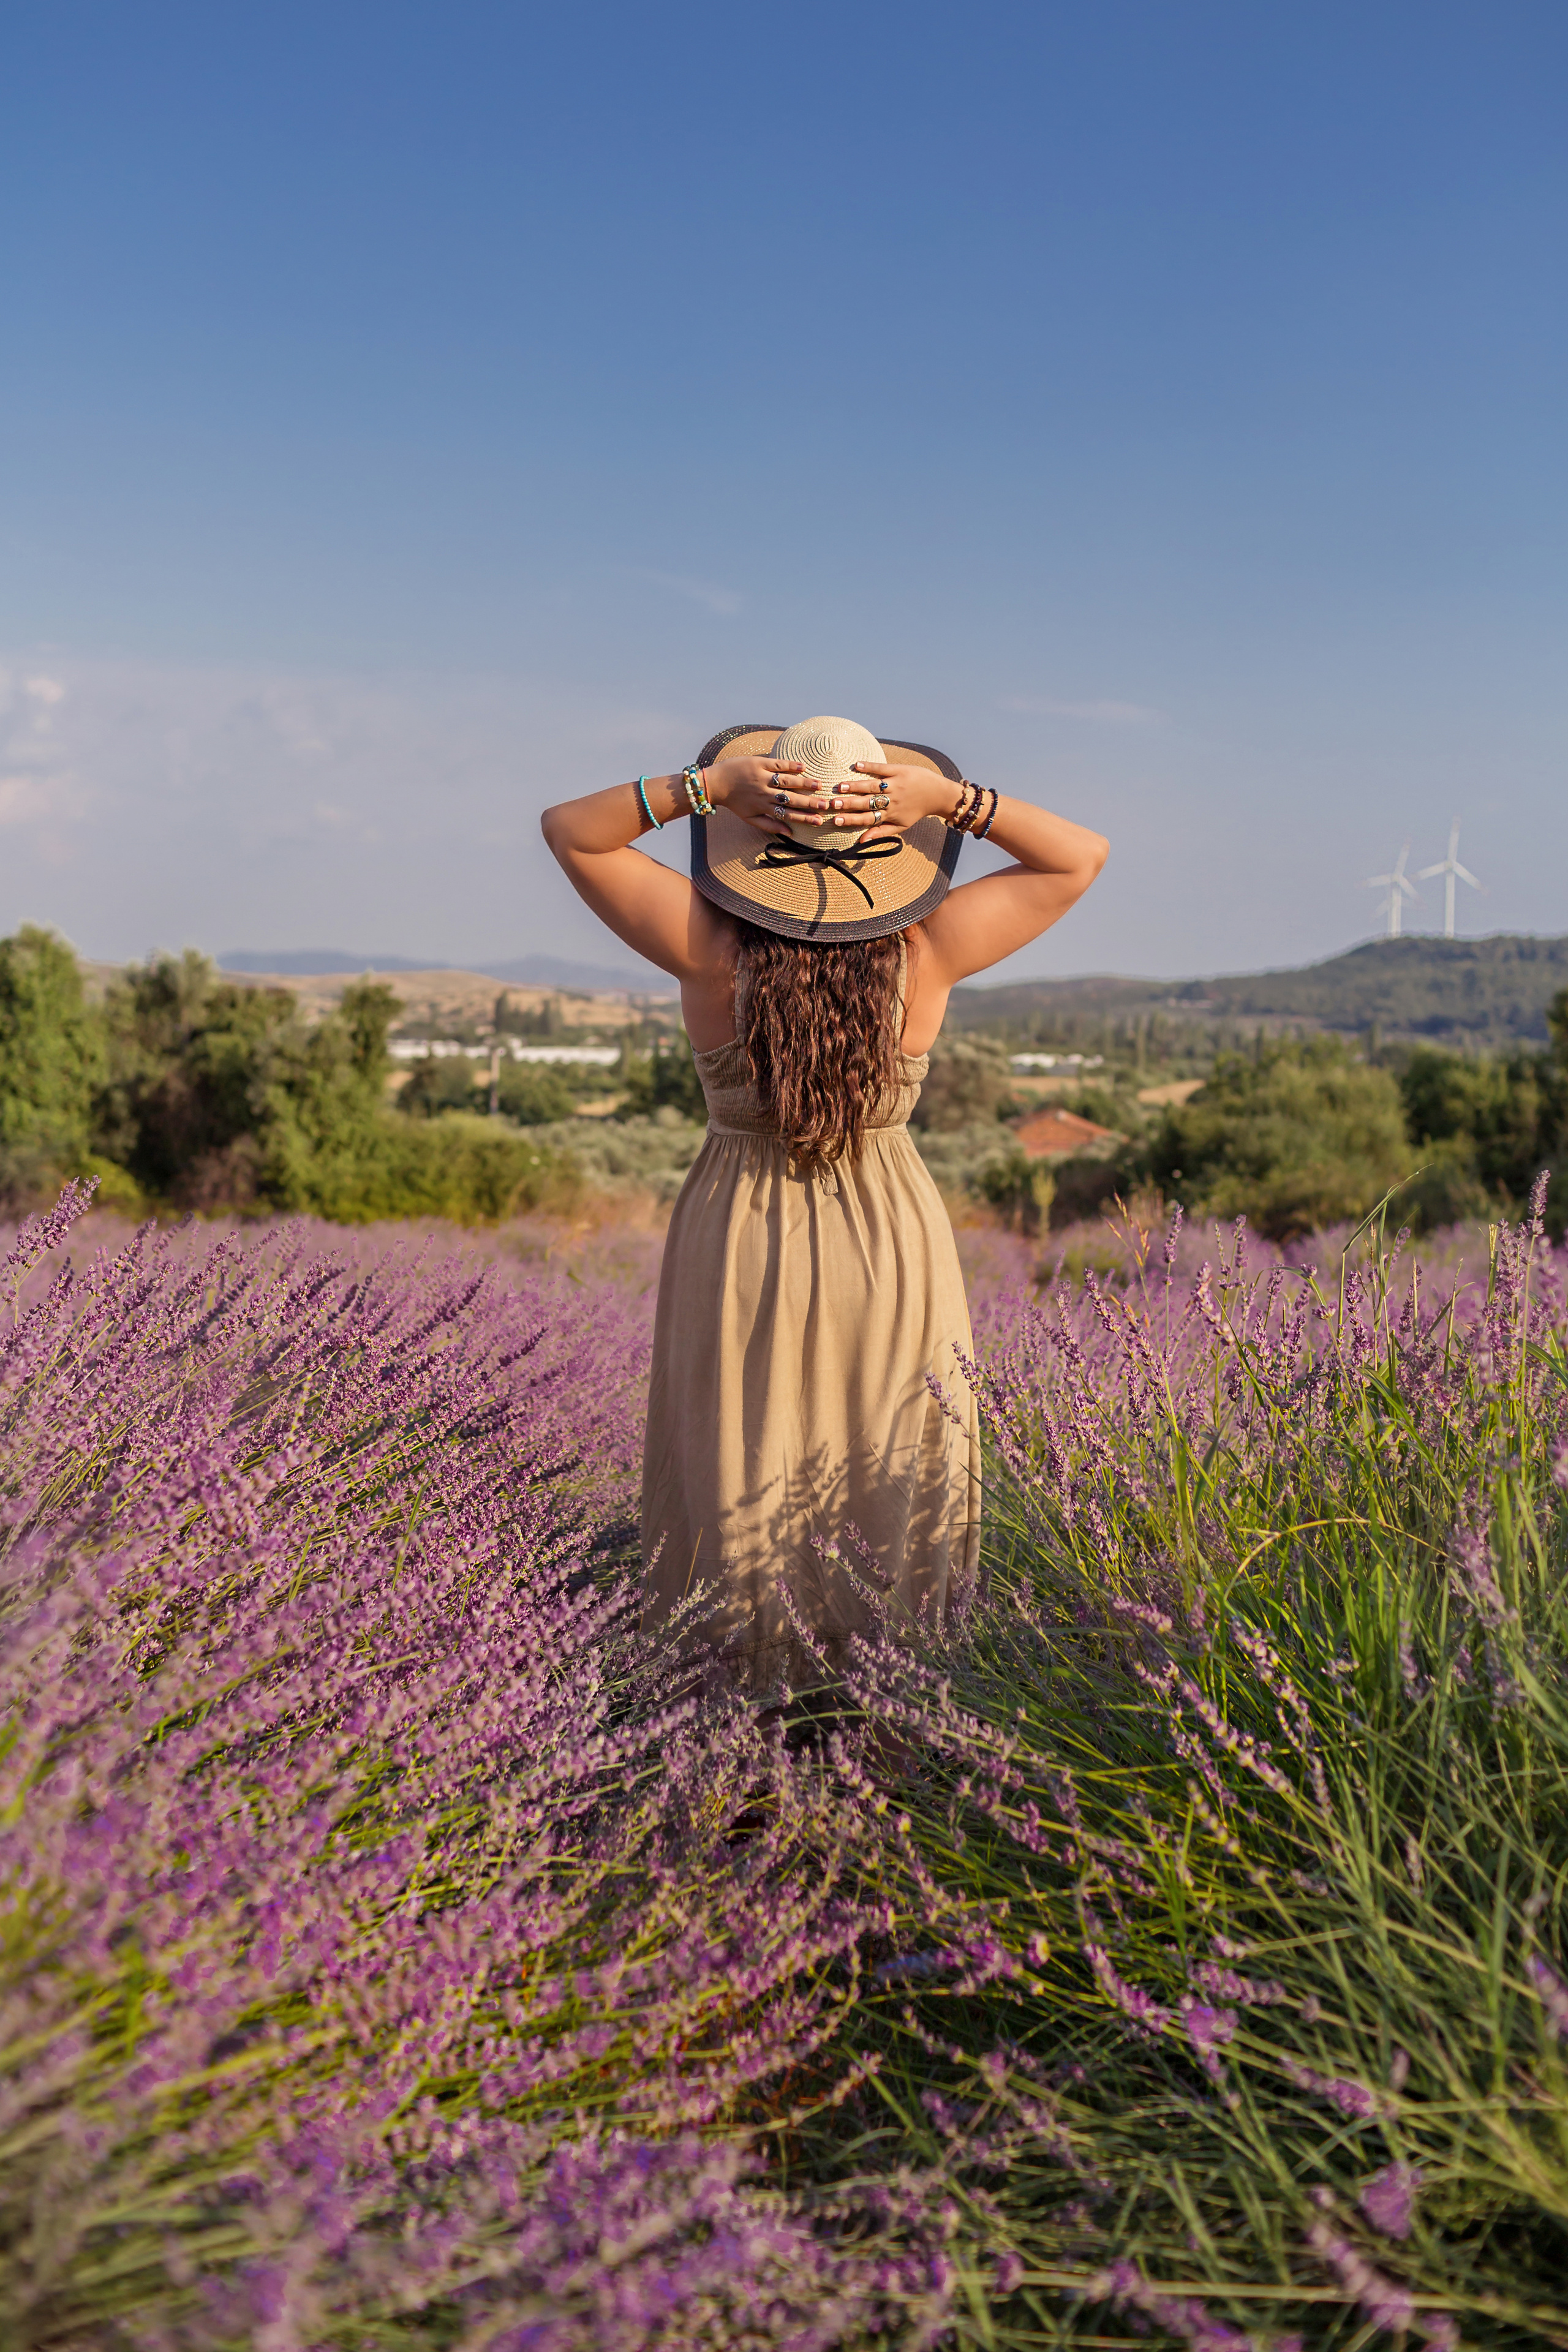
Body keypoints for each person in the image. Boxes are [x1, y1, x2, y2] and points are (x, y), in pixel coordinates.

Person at [541, 716, 1107, 1697]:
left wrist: (705, 785)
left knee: (737, 1460)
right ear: (895, 842)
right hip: (889, 1233)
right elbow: (1078, 857)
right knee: (890, 1461)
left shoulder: (705, 943)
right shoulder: (926, 949)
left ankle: (736, 1724)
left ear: (758, 837)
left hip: (741, 1225)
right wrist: (950, 803)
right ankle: (894, 1715)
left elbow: (571, 830)